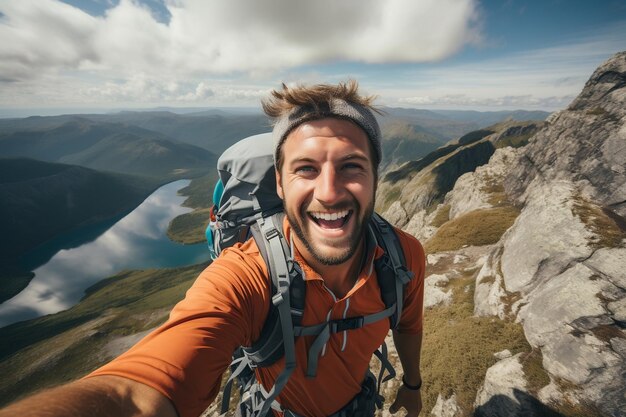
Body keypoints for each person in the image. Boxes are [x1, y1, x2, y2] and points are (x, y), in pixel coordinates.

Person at [0, 80, 425, 417]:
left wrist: (412, 386)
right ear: (279, 183)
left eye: (351, 166)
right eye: (306, 169)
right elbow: (133, 395)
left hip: (359, 405)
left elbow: (408, 326)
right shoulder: (245, 276)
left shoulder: (404, 258)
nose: (329, 193)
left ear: (375, 177)